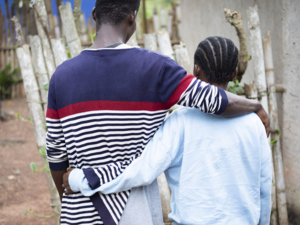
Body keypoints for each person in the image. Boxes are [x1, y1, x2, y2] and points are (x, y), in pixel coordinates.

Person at [46, 0, 269, 223]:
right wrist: (254, 106)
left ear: (94, 14)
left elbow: (56, 155)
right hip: (134, 211)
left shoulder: (60, 77)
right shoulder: (155, 69)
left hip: (79, 209)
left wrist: (72, 195)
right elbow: (212, 99)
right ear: (132, 18)